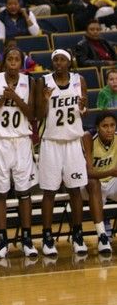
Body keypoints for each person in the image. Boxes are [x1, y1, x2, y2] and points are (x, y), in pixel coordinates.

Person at [0, 46, 38, 260]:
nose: (13, 62)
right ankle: (2, 241)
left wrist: (14, 97)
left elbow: (33, 114)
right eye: (10, 58)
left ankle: (27, 240)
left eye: (17, 58)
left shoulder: (29, 82)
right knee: (1, 193)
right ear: (4, 61)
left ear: (21, 62)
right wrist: (1, 100)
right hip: (0, 142)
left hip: (22, 142)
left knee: (24, 193)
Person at [36, 49, 88, 256]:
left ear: (69, 62)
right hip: (51, 143)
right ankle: (47, 237)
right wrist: (45, 100)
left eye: (62, 59)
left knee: (75, 190)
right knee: (49, 192)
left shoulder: (79, 80)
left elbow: (84, 111)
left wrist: (84, 107)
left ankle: (78, 234)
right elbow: (38, 115)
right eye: (55, 60)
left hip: (73, 142)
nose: (58, 63)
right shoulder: (44, 82)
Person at [82, 110, 116, 254]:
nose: (109, 129)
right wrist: (110, 172)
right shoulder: (88, 138)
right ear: (97, 127)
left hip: (111, 182)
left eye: (112, 125)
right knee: (93, 182)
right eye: (105, 126)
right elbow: (88, 172)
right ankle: (102, 236)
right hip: (90, 186)